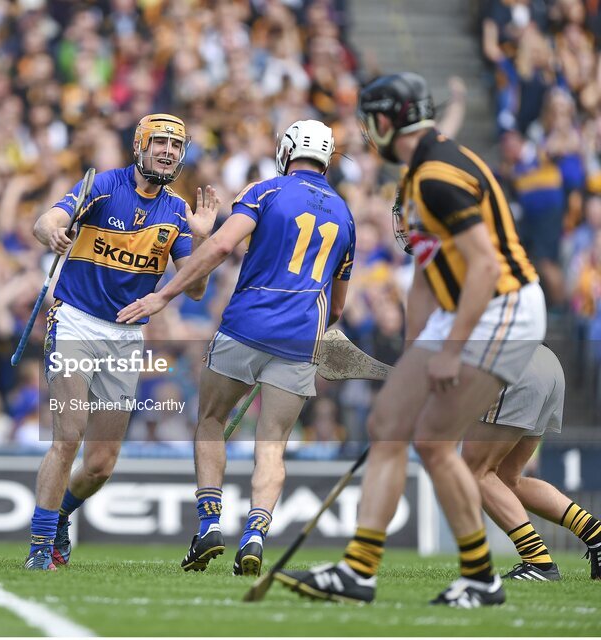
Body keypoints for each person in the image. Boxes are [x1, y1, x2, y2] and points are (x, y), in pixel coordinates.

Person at [276, 72, 546, 607]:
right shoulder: (418, 168)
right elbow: (425, 273)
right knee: (387, 423)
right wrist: (414, 355)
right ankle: (358, 572)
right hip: (463, 307)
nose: (367, 133)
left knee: (432, 441)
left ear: (383, 120)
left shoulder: (436, 177)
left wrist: (447, 352)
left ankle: (480, 578)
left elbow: (487, 267)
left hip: (502, 308)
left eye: (369, 121)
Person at [117, 119, 355, 577]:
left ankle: (209, 524)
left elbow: (223, 244)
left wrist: (164, 294)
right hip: (301, 338)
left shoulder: (265, 191)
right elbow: (339, 306)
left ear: (287, 152)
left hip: (245, 327)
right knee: (273, 446)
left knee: (209, 420)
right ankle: (255, 534)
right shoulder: (345, 215)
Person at [23, 113, 220, 570]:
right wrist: (52, 230)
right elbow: (44, 221)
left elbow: (193, 290)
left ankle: (58, 520)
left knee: (101, 464)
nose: (168, 152)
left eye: (176, 145)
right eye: (160, 143)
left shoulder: (176, 212)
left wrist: (203, 242)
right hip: (75, 322)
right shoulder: (104, 185)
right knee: (68, 437)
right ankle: (38, 551)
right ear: (139, 147)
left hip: (126, 337)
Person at [462, 344, 601, 581]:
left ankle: (538, 562)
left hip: (512, 365)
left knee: (474, 472)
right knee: (507, 479)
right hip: (547, 362)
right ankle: (595, 532)